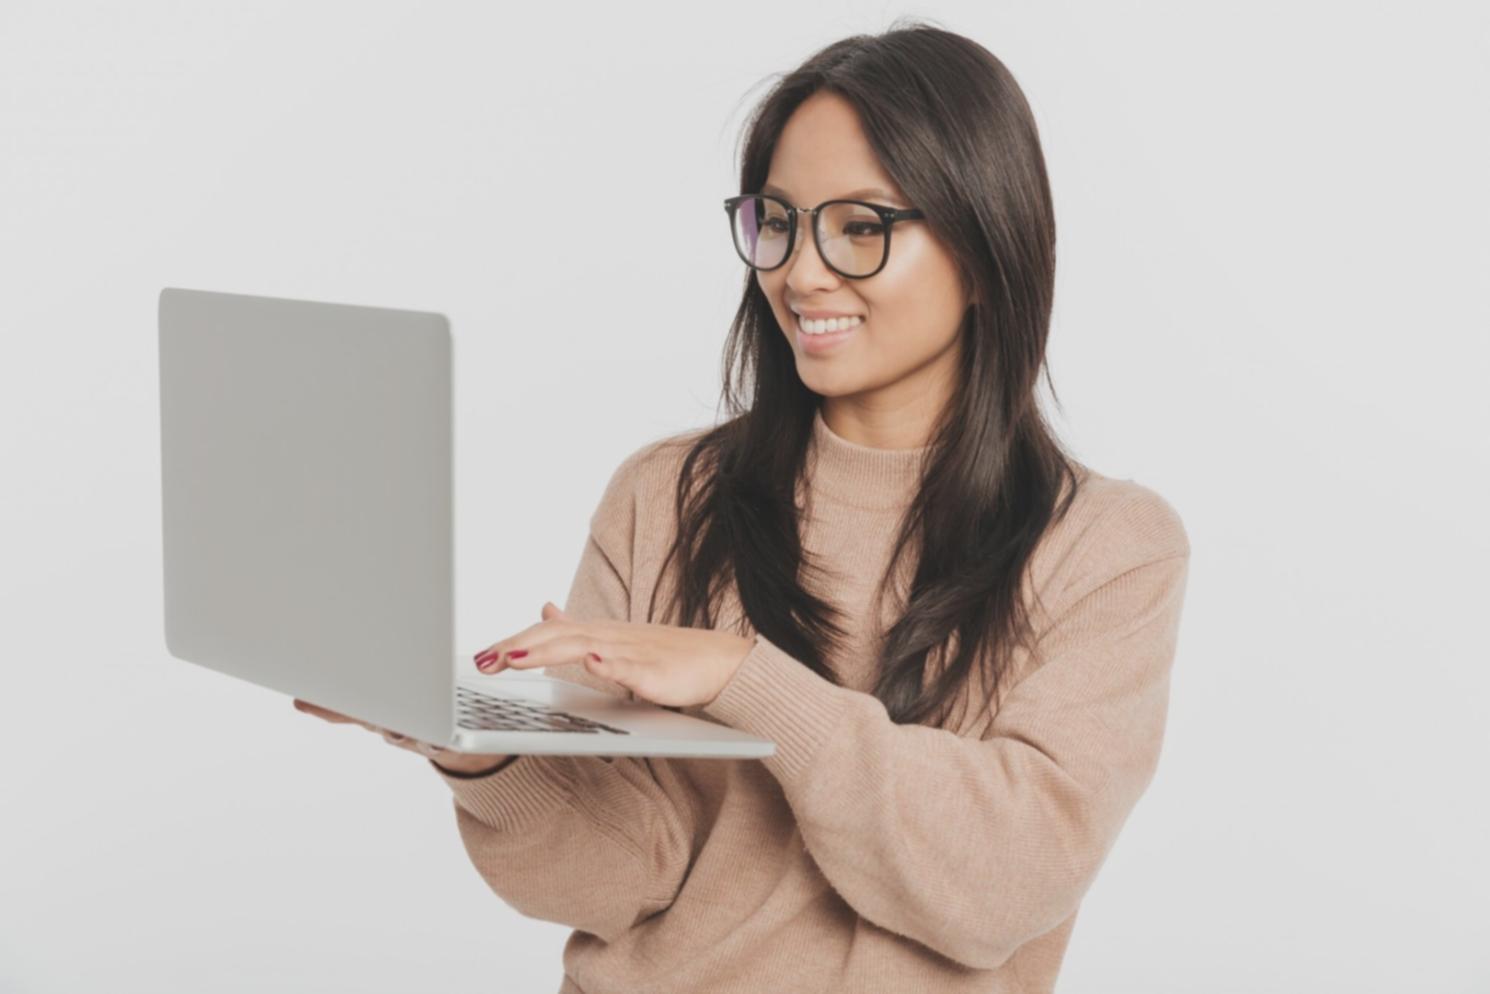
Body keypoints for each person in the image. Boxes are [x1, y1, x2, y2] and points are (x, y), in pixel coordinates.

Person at [297, 19, 1190, 994]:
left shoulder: (1106, 548)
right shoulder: (664, 494)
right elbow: (625, 873)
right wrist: (473, 751)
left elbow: (1005, 882)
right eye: (778, 220)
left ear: (982, 251)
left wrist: (744, 679)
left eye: (860, 227)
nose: (800, 272)